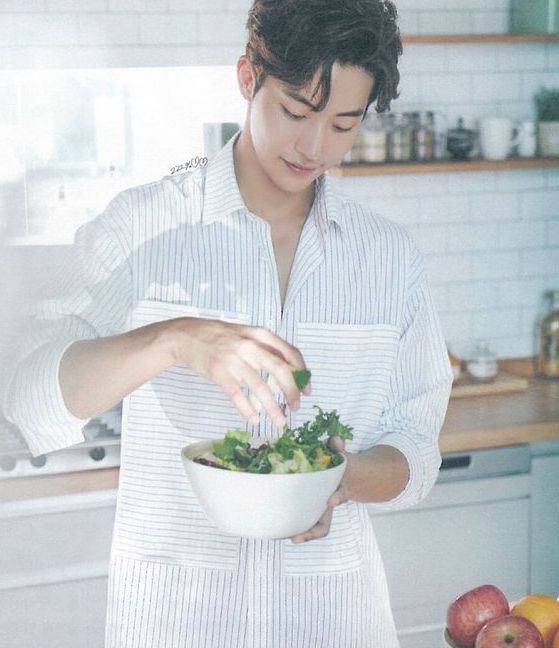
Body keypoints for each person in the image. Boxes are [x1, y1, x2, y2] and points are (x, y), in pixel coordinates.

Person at [3, 0, 453, 646]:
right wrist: (174, 339)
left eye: (342, 124)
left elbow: (416, 448)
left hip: (332, 621)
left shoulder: (386, 257)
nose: (315, 147)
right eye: (296, 112)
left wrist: (334, 481)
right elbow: (29, 399)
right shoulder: (143, 227)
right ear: (248, 79)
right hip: (179, 623)